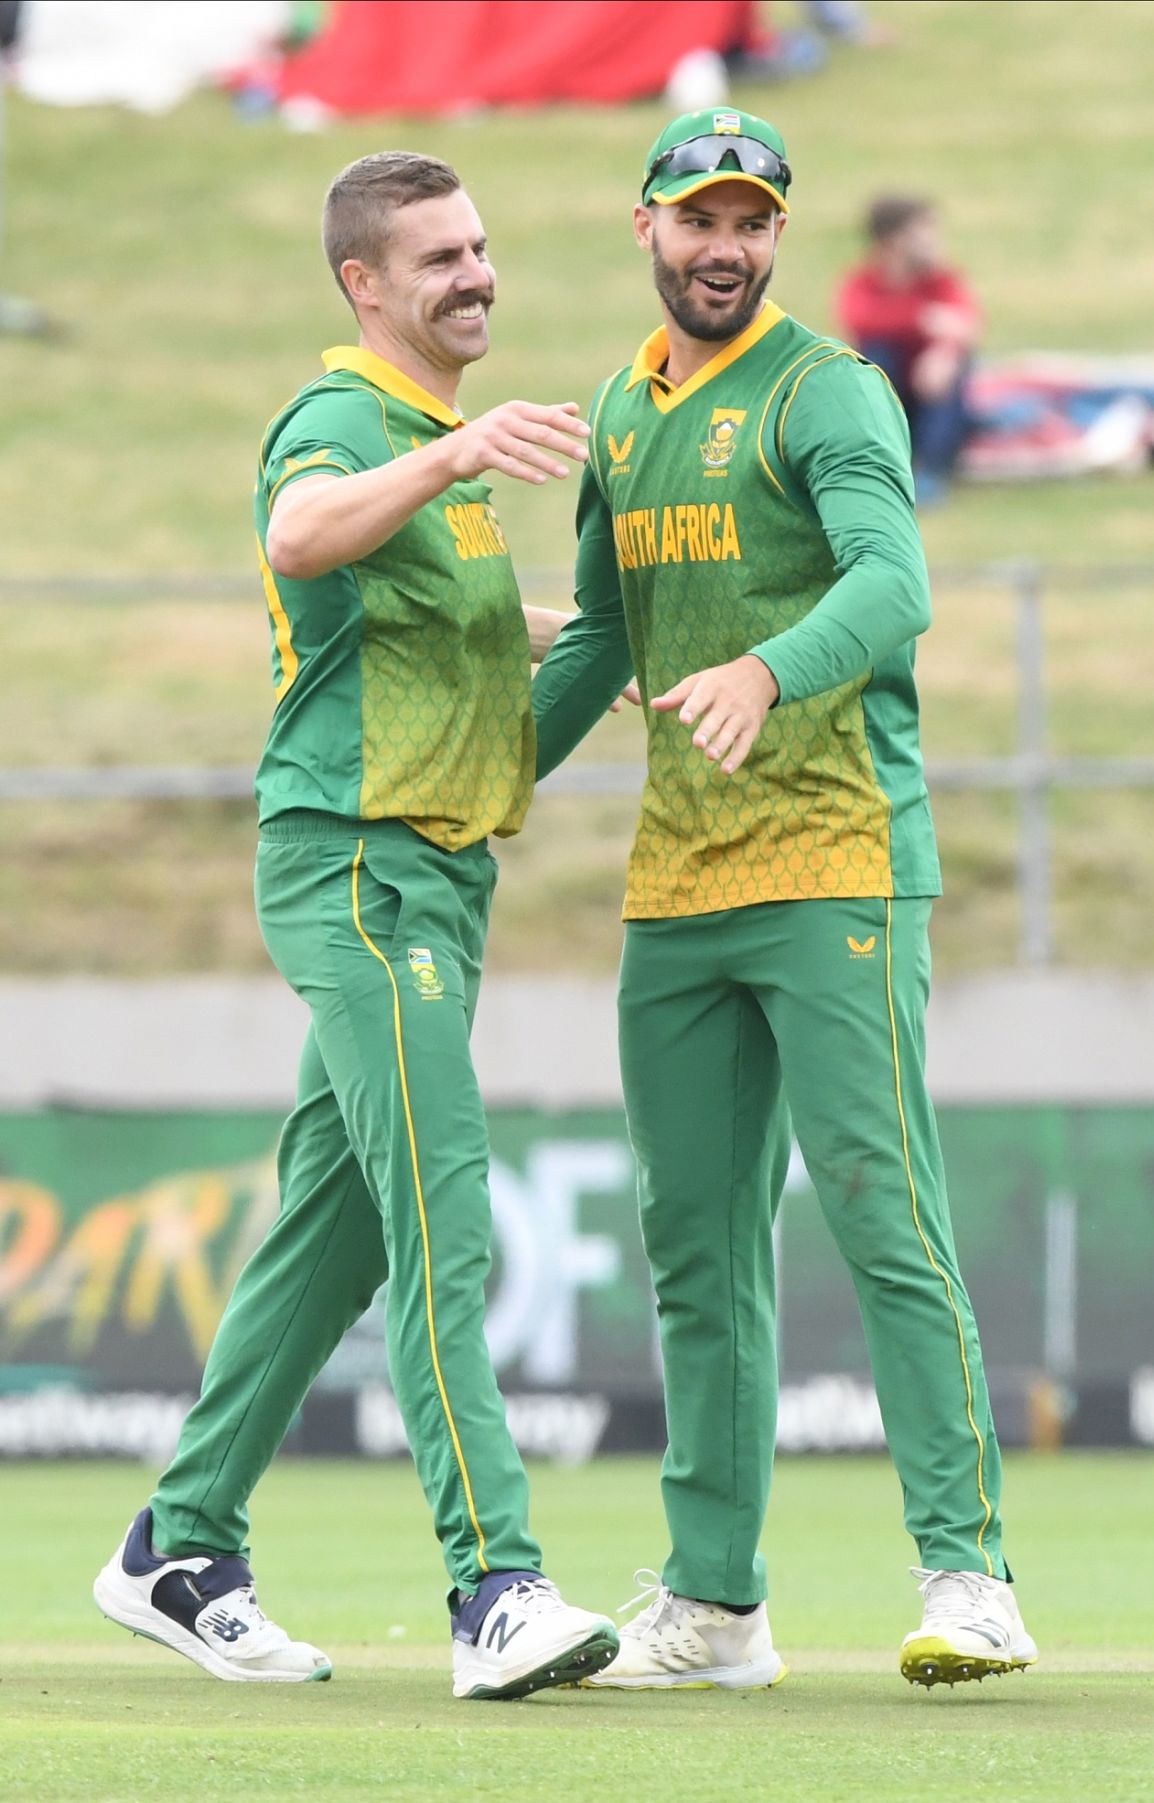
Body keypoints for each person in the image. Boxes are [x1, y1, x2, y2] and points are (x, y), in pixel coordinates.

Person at [92, 150, 619, 1703]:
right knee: (445, 1220)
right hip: (357, 867)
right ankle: (496, 1584)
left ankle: (179, 1542)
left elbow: (448, 627)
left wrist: (591, 633)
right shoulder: (344, 419)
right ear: (363, 283)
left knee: (332, 1238)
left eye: (480, 245)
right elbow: (302, 533)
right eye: (439, 256)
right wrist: (454, 459)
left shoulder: (434, 450)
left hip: (437, 873)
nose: (476, 273)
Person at [532, 108, 1036, 1691]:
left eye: (752, 219)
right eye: (700, 216)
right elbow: (602, 634)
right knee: (695, 1248)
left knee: (885, 1208)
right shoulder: (620, 410)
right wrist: (480, 787)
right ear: (647, 226)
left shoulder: (830, 389)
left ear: (777, 236)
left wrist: (764, 667)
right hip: (679, 882)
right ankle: (716, 1608)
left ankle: (972, 1577)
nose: (726, 244)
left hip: (837, 858)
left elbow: (895, 585)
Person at [835, 193, 979, 505]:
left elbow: (964, 324)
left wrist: (944, 351)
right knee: (875, 357)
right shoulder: (864, 282)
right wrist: (922, 318)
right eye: (923, 230)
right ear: (892, 241)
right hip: (892, 387)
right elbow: (861, 320)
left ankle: (931, 467)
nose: (933, 240)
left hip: (933, 393)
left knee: (953, 366)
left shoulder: (941, 280)